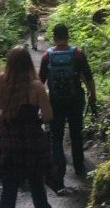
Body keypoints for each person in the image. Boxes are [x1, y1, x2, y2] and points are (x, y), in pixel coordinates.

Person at [0, 45, 56, 208]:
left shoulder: (1, 85)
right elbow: (48, 116)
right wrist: (34, 121)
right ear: (27, 63)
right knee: (37, 184)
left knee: (8, 194)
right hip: (32, 145)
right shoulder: (36, 87)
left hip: (8, 146)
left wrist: (5, 124)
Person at [39, 23, 96, 192]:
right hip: (75, 99)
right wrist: (92, 94)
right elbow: (88, 76)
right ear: (67, 36)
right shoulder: (77, 54)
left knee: (56, 137)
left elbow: (40, 82)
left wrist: (41, 104)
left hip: (55, 101)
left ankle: (59, 171)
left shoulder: (47, 56)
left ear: (55, 37)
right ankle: (79, 167)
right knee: (76, 132)